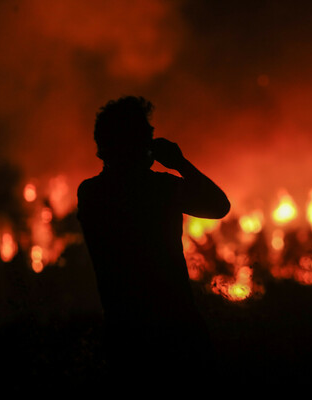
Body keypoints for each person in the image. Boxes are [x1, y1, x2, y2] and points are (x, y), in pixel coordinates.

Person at [76, 96, 230, 385]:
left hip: (124, 331)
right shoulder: (161, 188)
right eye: (148, 135)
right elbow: (219, 205)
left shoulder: (91, 193)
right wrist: (180, 163)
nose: (153, 139)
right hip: (177, 325)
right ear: (135, 143)